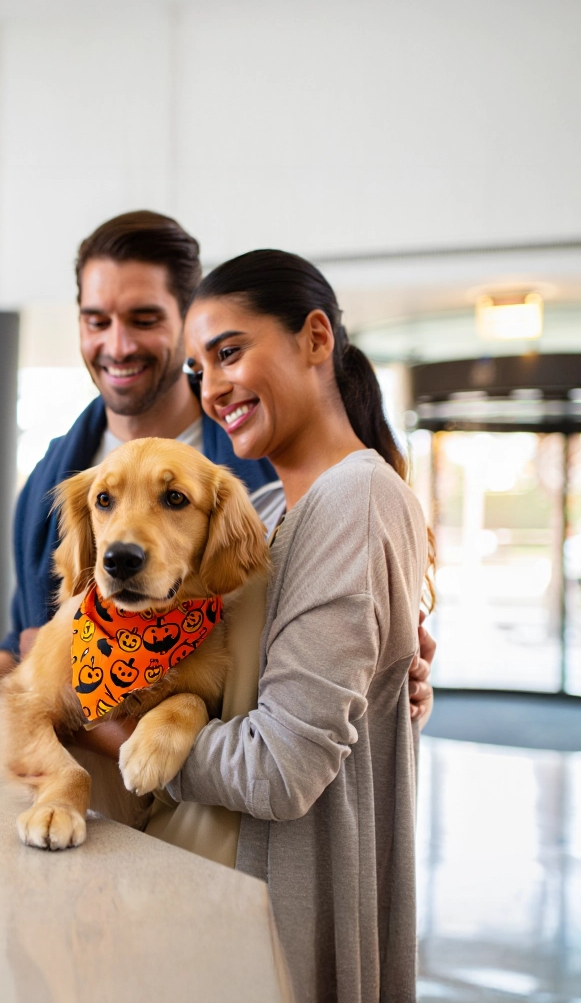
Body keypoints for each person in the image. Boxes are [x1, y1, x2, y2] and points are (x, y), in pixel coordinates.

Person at [0, 213, 436, 738]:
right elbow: (26, 646)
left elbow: (325, 646)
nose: (118, 344)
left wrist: (388, 675)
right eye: (96, 320)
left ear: (186, 323)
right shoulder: (53, 482)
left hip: (212, 805)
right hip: (76, 801)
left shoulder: (262, 463)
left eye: (143, 318)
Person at [162, 249, 427, 999]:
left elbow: (280, 769)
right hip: (232, 907)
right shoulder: (271, 512)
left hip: (290, 925)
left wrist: (128, 739)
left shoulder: (358, 498)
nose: (212, 388)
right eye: (198, 369)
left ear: (316, 338)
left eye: (229, 352)